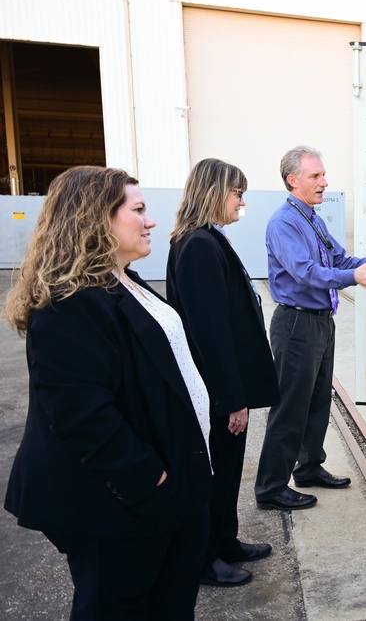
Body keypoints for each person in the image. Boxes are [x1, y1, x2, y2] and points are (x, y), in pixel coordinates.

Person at [2, 166, 213, 620]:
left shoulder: (124, 283)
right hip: (120, 506)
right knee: (117, 606)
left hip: (167, 493)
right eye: (138, 210)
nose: (150, 220)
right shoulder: (70, 303)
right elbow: (84, 417)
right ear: (95, 219)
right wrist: (155, 483)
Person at [255, 145, 366, 511]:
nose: (324, 182)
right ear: (292, 180)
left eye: (323, 175)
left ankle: (309, 467)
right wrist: (355, 277)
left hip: (319, 323)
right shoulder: (284, 222)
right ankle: (270, 487)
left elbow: (340, 260)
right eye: (315, 176)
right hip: (296, 323)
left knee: (316, 401)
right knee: (290, 406)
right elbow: (306, 273)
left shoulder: (312, 217)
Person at [167, 158, 280, 588]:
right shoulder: (197, 245)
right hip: (219, 391)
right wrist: (232, 399)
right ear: (214, 192)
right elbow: (209, 331)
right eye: (237, 193)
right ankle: (206, 556)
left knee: (230, 468)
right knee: (216, 472)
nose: (242, 201)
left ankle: (225, 539)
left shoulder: (208, 238)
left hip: (227, 386)